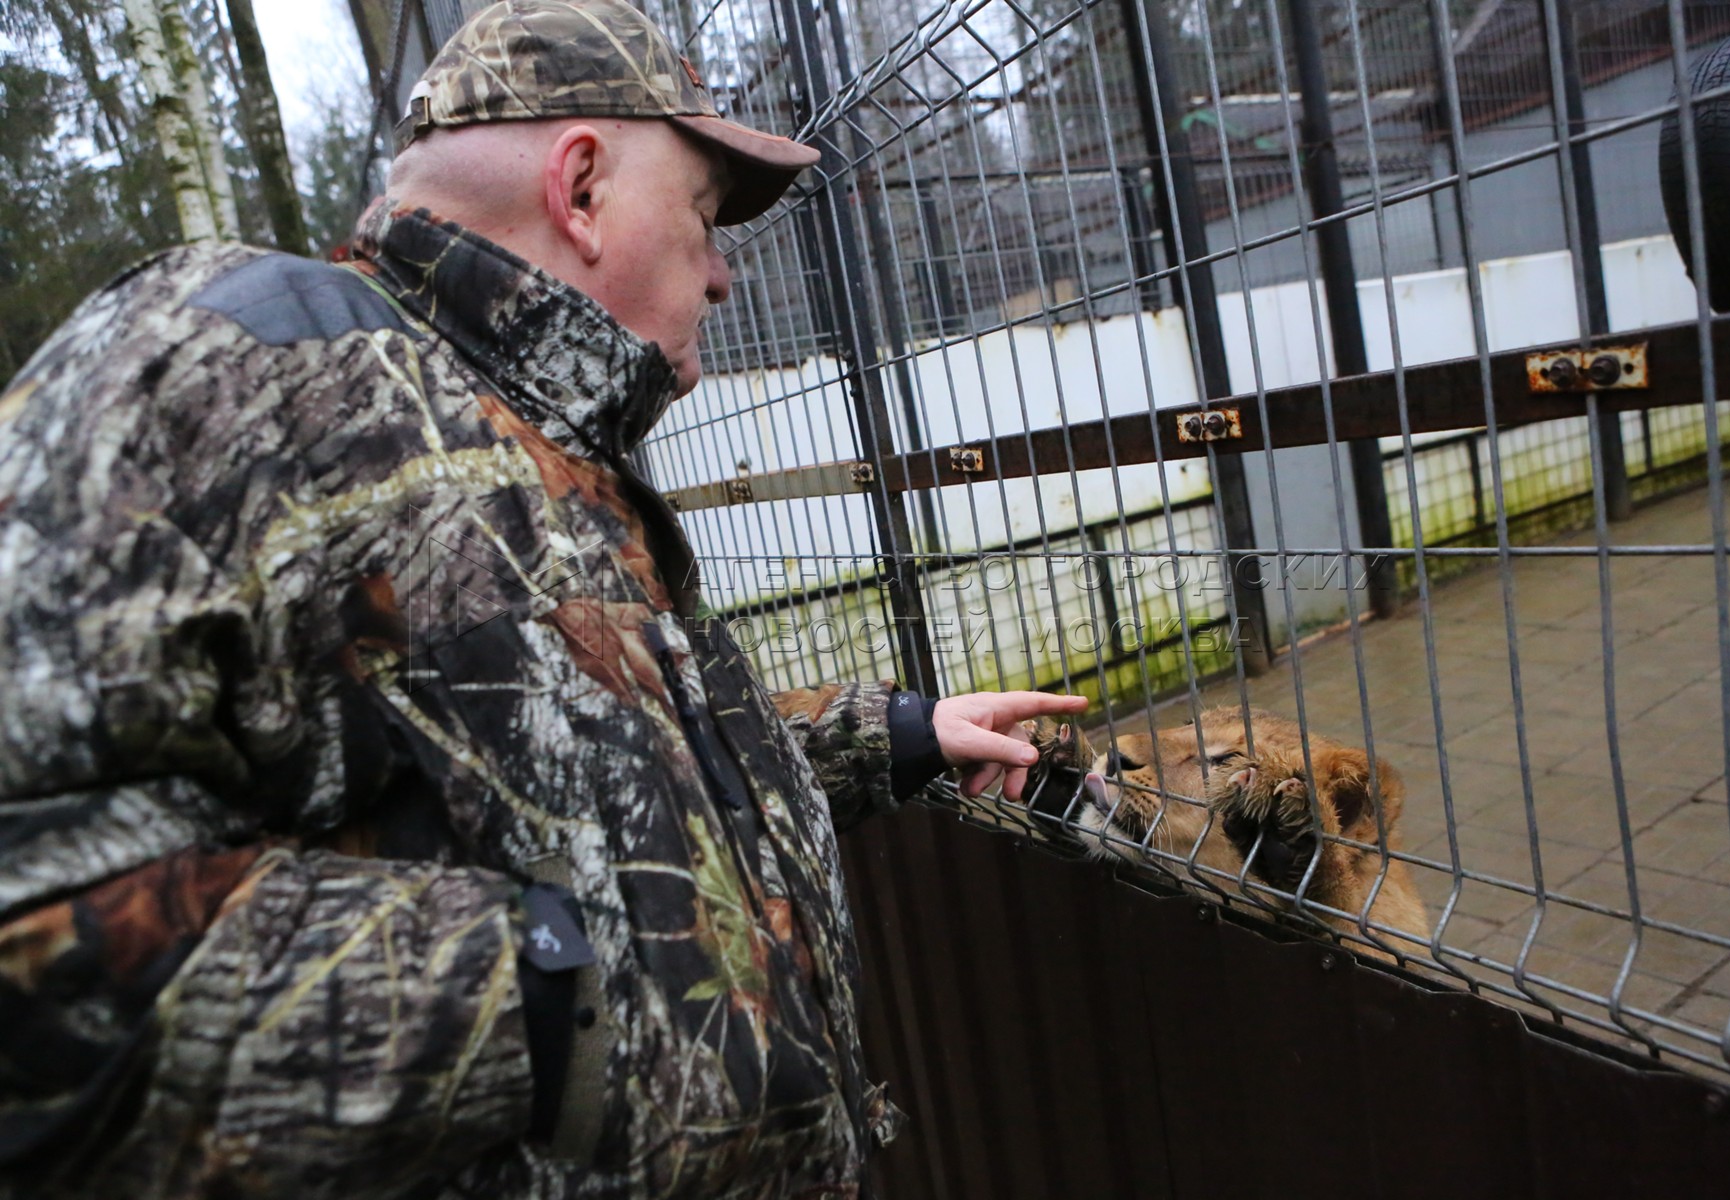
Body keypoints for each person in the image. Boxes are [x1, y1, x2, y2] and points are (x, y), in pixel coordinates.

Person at [0, 1, 1087, 1196]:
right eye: (707, 218)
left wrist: (883, 740)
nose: (722, 276)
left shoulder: (535, 442)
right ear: (579, 190)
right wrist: (540, 995)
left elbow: (562, 774)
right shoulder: (241, 360)